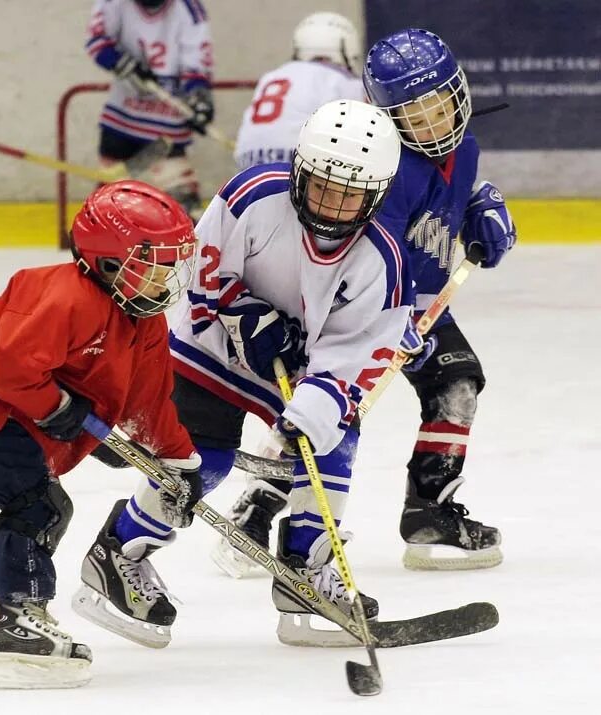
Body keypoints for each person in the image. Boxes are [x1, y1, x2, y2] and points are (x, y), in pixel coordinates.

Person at [71, 99, 413, 648]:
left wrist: (314, 409)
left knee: (333, 441)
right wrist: (243, 313)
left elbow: (352, 357)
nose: (332, 204)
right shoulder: (252, 196)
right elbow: (197, 269)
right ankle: (119, 552)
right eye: (322, 185)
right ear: (300, 168)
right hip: (210, 351)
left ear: (376, 194)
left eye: (350, 195)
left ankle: (304, 572)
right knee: (199, 462)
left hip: (300, 373)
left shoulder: (384, 263)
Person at [216, 28, 515, 577]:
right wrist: (385, 323)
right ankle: (256, 510)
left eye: (440, 105)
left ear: (460, 93)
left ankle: (430, 512)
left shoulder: (464, 147)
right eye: (413, 114)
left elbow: (453, 193)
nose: (433, 124)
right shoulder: (388, 168)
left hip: (422, 304)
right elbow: (366, 253)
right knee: (331, 413)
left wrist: (481, 203)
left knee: (457, 380)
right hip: (361, 309)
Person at [0, 181, 200, 689]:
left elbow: (148, 404)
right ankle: (20, 621)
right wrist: (61, 408)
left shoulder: (145, 319)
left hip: (22, 415)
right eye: (156, 263)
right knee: (42, 509)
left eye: (171, 263)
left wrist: (179, 463)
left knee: (26, 510)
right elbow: (9, 375)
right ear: (112, 261)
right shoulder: (65, 297)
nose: (167, 277)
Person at [85, 0, 214, 220]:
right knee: (108, 214)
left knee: (183, 214)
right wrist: (121, 62)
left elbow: (197, 67)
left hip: (166, 133)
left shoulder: (188, 9)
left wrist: (198, 98)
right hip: (122, 124)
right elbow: (97, 40)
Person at [234, 11, 365, 170]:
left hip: (246, 160)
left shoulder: (270, 77)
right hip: (300, 160)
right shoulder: (344, 82)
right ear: (347, 47)